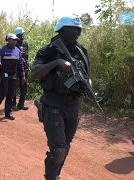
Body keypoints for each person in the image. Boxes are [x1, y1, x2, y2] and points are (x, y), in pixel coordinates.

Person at [32, 16, 91, 179]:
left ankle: (55, 174)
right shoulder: (48, 50)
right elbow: (35, 73)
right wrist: (57, 62)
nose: (76, 33)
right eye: (72, 29)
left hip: (73, 105)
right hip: (53, 103)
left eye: (78, 29)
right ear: (62, 30)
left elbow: (87, 76)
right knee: (58, 151)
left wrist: (88, 91)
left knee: (65, 147)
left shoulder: (82, 51)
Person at [0, 33, 25, 120]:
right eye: (13, 40)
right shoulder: (2, 50)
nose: (15, 41)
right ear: (9, 40)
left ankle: (8, 113)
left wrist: (23, 76)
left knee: (11, 94)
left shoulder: (17, 50)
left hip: (13, 75)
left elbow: (20, 64)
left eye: (15, 40)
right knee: (3, 92)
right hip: (4, 74)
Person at [12, 27, 29, 111]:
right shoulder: (14, 44)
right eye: (21, 35)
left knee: (24, 86)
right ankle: (13, 104)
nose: (23, 36)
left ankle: (21, 104)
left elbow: (27, 56)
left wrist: (27, 65)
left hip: (24, 68)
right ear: (17, 35)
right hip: (16, 68)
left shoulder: (25, 44)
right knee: (14, 86)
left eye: (23, 34)